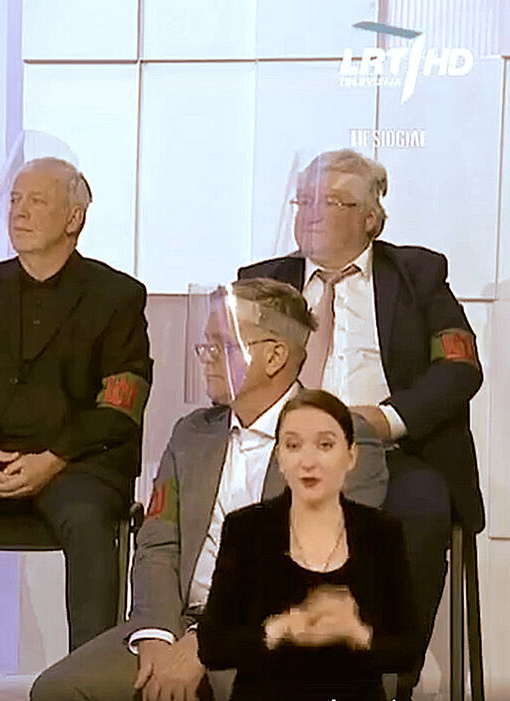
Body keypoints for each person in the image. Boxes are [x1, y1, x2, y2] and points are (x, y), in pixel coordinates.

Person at [30, 278, 389, 701]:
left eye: (224, 345)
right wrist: (156, 633)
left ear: (274, 356)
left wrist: (207, 640)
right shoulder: (191, 435)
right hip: (179, 622)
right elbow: (158, 543)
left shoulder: (340, 439)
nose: (207, 356)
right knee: (59, 690)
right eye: (207, 344)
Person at [239, 148, 483, 699]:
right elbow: (236, 377)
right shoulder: (264, 281)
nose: (312, 213)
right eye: (304, 200)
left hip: (391, 450)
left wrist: (386, 419)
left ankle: (389, 680)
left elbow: (460, 367)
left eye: (332, 201)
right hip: (286, 450)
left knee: (422, 508)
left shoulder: (418, 275)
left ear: (371, 218)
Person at [0, 157, 152, 650]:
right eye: (14, 201)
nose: (19, 212)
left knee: (88, 521)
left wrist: (53, 458)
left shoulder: (117, 297)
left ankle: (88, 673)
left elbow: (122, 405)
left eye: (36, 201)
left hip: (74, 464)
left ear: (74, 218)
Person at [197, 389, 419, 701]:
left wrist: (358, 633)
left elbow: (409, 651)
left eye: (325, 445)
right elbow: (211, 646)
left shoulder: (382, 533)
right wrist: (277, 630)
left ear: (351, 456)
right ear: (279, 457)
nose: (308, 461)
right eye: (293, 445)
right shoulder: (246, 530)